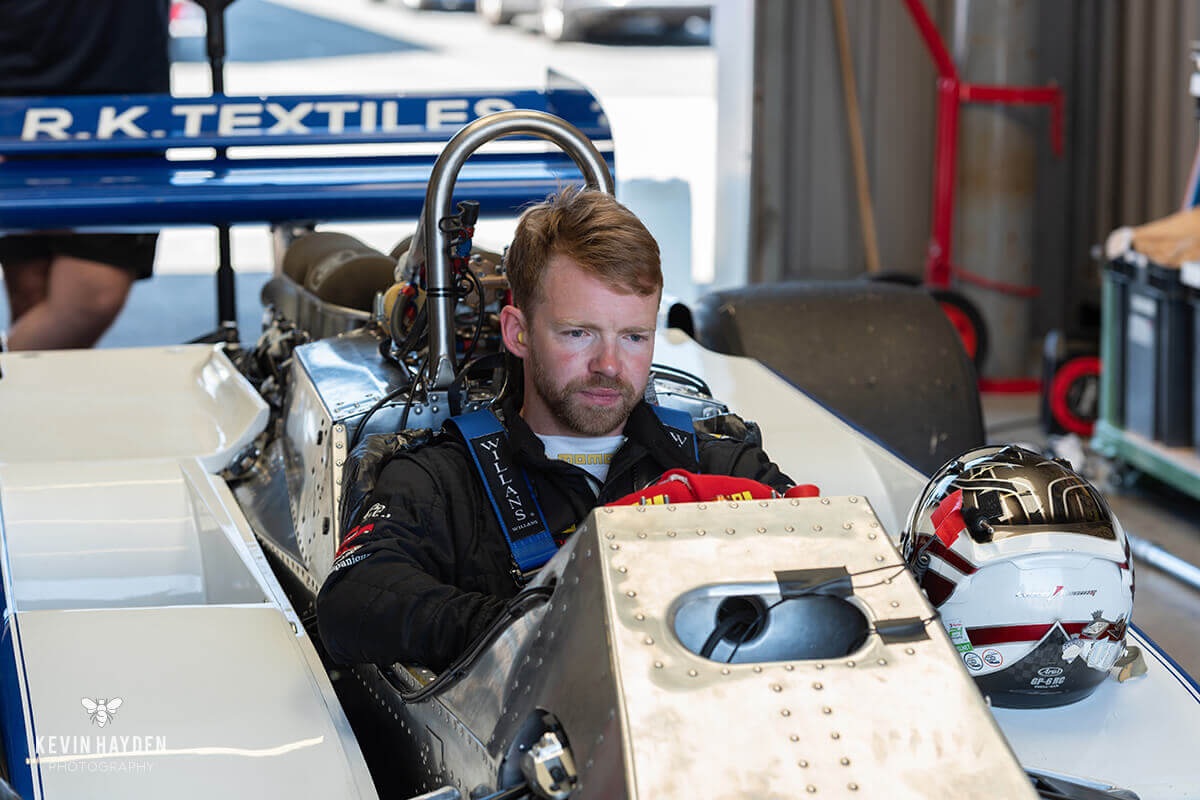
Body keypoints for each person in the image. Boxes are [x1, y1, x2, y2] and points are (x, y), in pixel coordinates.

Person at [317, 188, 794, 670]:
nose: (609, 365)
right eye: (578, 333)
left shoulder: (722, 464)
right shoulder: (443, 480)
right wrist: (538, 623)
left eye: (633, 337)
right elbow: (350, 602)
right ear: (517, 333)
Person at [0, 1, 170, 350]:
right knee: (30, 291)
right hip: (16, 94)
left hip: (120, 100)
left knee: (91, 297)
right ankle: (33, 404)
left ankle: (19, 393)